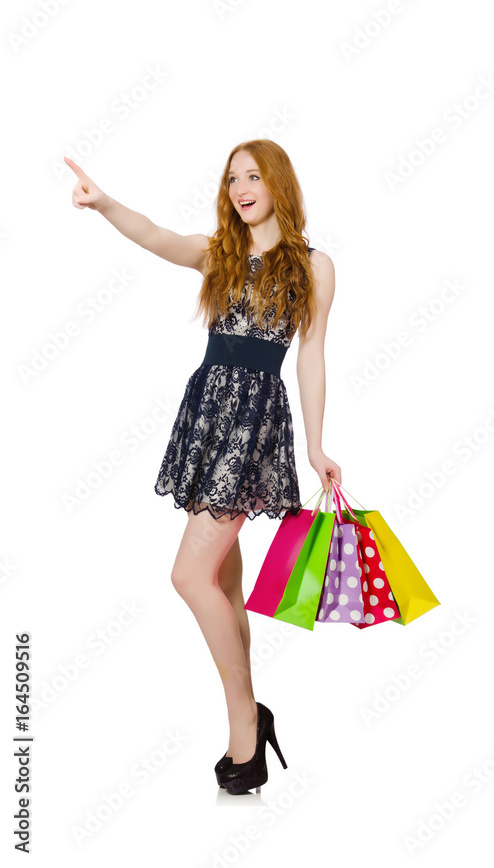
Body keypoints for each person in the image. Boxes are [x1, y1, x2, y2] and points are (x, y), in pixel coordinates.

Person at [66, 140, 340, 794]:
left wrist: (317, 445)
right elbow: (156, 235)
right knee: (217, 577)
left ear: (277, 181)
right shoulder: (218, 252)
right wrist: (103, 203)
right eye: (232, 178)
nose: (242, 186)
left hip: (251, 425)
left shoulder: (313, 266)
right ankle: (250, 713)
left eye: (253, 175)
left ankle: (245, 721)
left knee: (189, 575)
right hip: (208, 417)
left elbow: (311, 355)